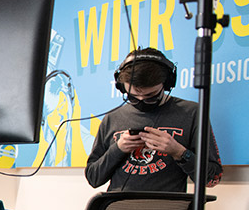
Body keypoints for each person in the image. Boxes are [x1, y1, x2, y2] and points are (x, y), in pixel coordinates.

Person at [85, 47, 222, 191]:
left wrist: (179, 152)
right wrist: (118, 149)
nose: (141, 101)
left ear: (167, 83)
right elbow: (93, 178)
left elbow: (213, 178)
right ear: (121, 87)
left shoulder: (192, 113)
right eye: (132, 97)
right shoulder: (112, 118)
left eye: (151, 97)